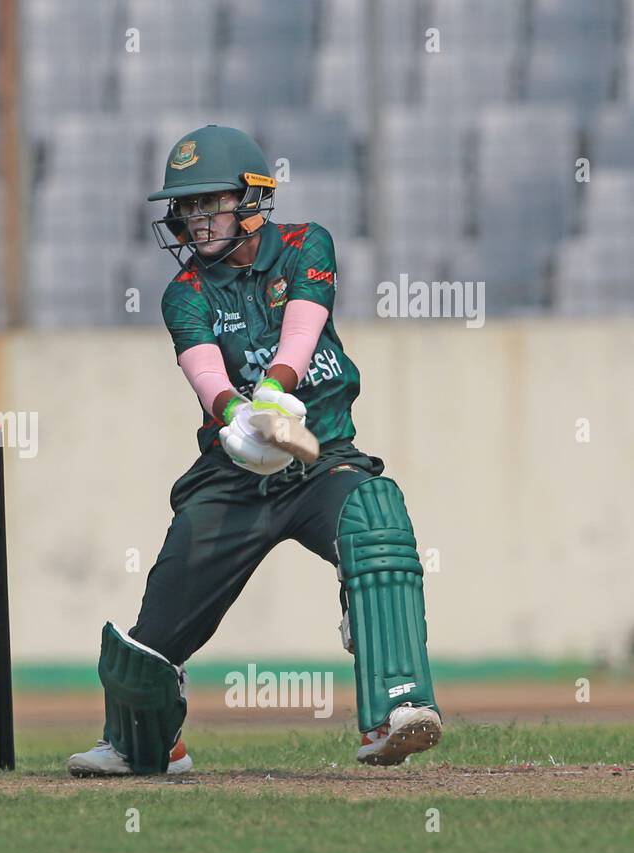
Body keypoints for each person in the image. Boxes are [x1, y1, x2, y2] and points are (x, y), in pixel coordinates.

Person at [68, 125, 440, 776]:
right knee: (153, 642)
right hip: (231, 479)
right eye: (184, 208)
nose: (192, 219)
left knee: (376, 514)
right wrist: (239, 413)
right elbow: (205, 371)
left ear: (252, 199)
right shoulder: (184, 292)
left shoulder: (304, 245)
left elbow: (304, 323)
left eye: (207, 202)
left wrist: (273, 391)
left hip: (321, 460)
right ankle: (143, 743)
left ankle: (394, 714)